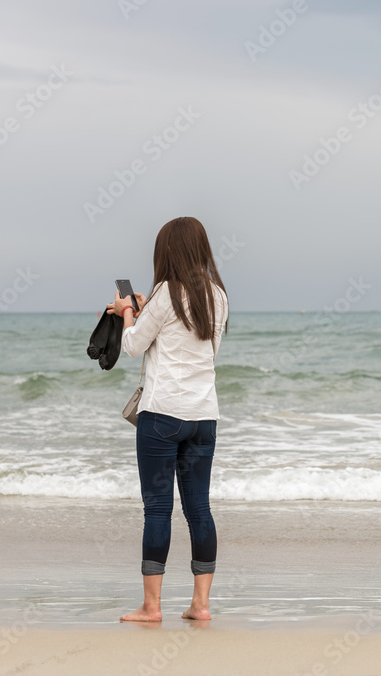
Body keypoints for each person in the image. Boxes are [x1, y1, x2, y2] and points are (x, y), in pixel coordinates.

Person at [107, 216, 229, 622]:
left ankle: (151, 607)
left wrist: (127, 311)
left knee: (157, 509)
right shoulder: (218, 296)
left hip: (161, 416)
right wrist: (143, 309)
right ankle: (201, 605)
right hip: (204, 416)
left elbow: (132, 346)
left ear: (167, 252)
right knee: (199, 509)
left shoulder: (163, 293)